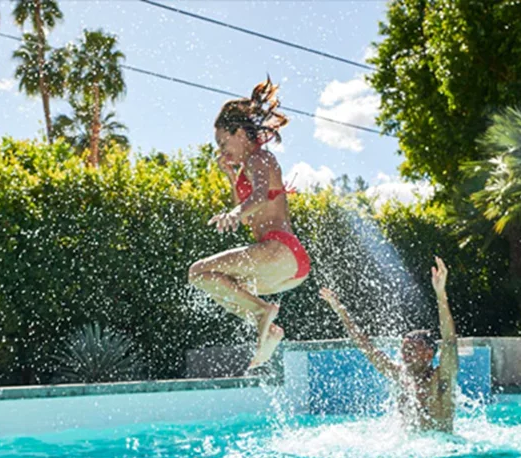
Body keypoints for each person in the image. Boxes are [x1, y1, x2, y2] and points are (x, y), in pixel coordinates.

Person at [188, 78, 310, 373]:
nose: (222, 150)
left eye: (223, 142)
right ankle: (269, 330)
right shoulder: (249, 166)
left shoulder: (259, 158)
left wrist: (234, 212)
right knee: (220, 286)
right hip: (287, 266)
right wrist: (232, 177)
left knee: (197, 271)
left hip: (280, 248)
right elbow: (247, 211)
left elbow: (258, 197)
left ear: (241, 133)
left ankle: (262, 313)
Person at [318, 257, 459, 433]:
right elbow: (366, 347)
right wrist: (340, 311)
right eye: (403, 350)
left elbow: (449, 342)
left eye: (411, 350)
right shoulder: (400, 376)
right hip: (411, 447)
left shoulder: (442, 378)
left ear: (428, 354)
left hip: (441, 445)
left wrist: (440, 294)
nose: (404, 355)